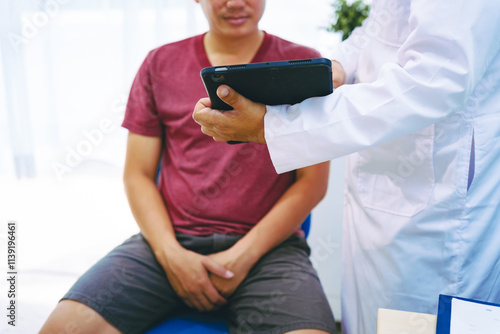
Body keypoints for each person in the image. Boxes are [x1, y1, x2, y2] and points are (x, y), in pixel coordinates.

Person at [192, 0, 500, 333]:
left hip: (437, 207)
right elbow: (383, 27)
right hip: (382, 186)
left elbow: (439, 79)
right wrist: (338, 65)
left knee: (420, 321)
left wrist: (276, 125)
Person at [40, 1, 337, 333]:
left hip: (269, 253)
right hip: (168, 243)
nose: (236, 3)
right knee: (62, 327)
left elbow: (312, 182)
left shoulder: (300, 64)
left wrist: (241, 258)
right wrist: (171, 255)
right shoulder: (160, 64)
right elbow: (137, 174)